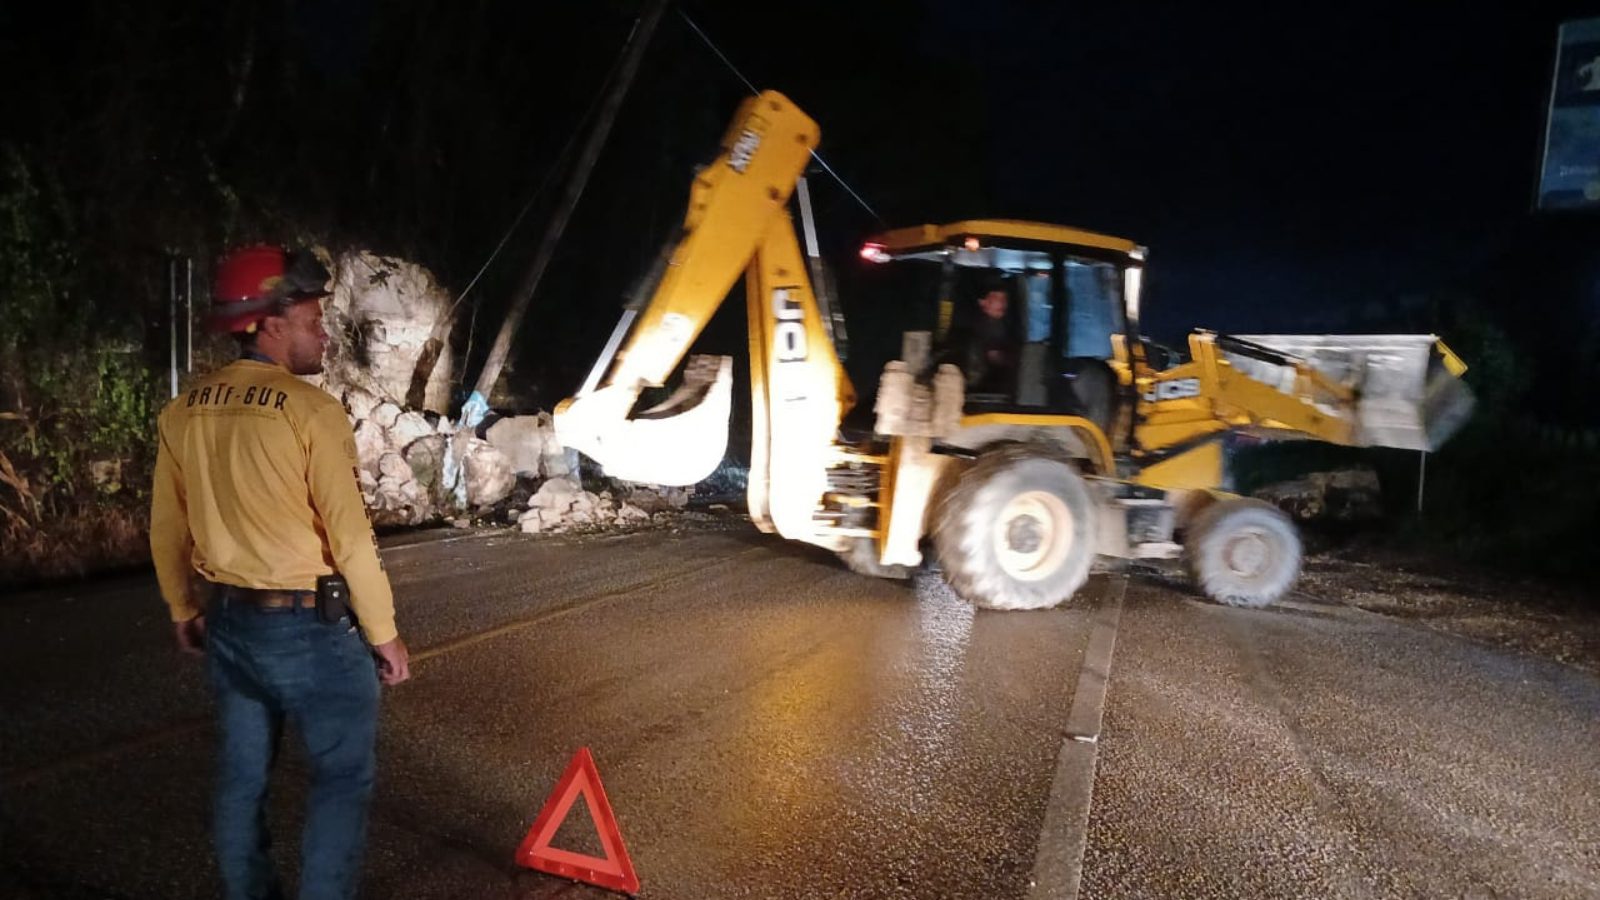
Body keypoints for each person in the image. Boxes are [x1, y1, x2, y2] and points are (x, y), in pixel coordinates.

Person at [149, 244, 410, 900]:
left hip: (231, 623)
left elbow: (167, 528)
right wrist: (382, 631)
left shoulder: (184, 410)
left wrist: (183, 609)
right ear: (271, 322)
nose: (324, 332)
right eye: (313, 318)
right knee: (340, 782)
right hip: (311, 631)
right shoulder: (309, 411)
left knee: (241, 783)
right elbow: (349, 538)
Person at [963, 279, 1015, 394]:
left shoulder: (1002, 324)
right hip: (980, 386)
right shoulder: (983, 325)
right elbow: (994, 357)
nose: (1002, 303)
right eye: (996, 298)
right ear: (982, 302)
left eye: (1004, 299)